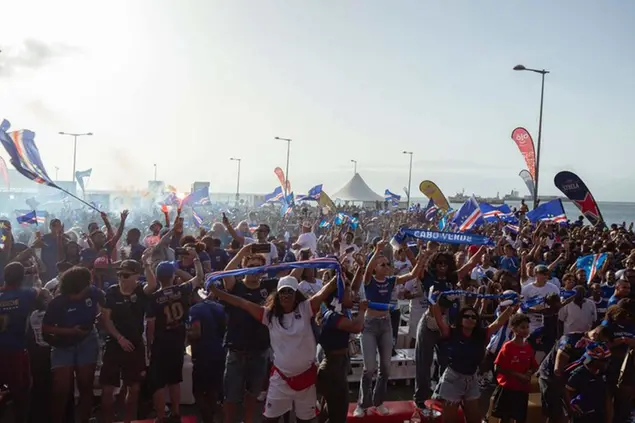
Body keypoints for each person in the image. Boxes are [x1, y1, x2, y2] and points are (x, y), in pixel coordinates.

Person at [210, 275, 337, 423]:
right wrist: (216, 291)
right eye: (283, 291)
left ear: (296, 294)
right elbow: (242, 303)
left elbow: (324, 292)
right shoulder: (269, 315)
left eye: (290, 291)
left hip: (305, 382)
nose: (286, 295)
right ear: (278, 294)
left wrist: (337, 276)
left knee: (305, 421)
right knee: (270, 420)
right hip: (281, 380)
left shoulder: (305, 308)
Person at [354, 240, 424, 417]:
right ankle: (362, 405)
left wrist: (422, 258)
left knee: (385, 368)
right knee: (369, 368)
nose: (387, 267)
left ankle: (378, 402)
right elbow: (367, 270)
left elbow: (413, 274)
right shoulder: (369, 280)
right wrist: (377, 250)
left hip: (386, 324)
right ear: (375, 268)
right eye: (383, 264)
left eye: (387, 264)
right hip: (369, 325)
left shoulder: (391, 281)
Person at [430, 298, 515, 423]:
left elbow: (498, 323)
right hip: (453, 380)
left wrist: (511, 307)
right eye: (466, 316)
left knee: (474, 419)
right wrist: (434, 301)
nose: (470, 319)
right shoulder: (451, 332)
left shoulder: (481, 335)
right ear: (460, 319)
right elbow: (439, 320)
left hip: (472, 379)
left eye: (474, 317)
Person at [219, 246, 279, 423]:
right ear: (244, 268)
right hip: (237, 349)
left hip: (260, 349)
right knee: (231, 395)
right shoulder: (236, 286)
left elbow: (292, 276)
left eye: (258, 267)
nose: (254, 271)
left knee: (253, 393)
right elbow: (226, 273)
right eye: (250, 266)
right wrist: (243, 252)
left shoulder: (268, 286)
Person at [146, 248, 203, 423]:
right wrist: (196, 259)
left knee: (158, 382)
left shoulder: (154, 297)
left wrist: (149, 345)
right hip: (178, 340)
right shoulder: (182, 289)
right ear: (172, 276)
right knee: (174, 379)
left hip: (160, 342)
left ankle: (161, 416)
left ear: (157, 277)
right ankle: (176, 413)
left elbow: (151, 324)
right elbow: (199, 277)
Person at [42, 266, 105, 423]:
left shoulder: (93, 292)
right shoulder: (57, 302)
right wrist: (71, 331)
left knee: (86, 385)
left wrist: (101, 317)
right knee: (61, 388)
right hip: (63, 344)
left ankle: (85, 419)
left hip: (87, 340)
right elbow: (46, 327)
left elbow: (106, 304)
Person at [99, 254, 157, 423]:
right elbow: (106, 319)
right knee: (108, 389)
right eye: (119, 275)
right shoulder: (111, 292)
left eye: (125, 275)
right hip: (114, 343)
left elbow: (153, 285)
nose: (121, 279)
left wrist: (146, 264)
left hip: (135, 344)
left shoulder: (140, 291)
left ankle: (129, 420)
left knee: (134, 388)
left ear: (136, 276)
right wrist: (119, 338)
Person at [0, 262, 39, 423]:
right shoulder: (25, 294)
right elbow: (39, 289)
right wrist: (34, 276)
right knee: (21, 392)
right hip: (16, 350)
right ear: (22, 278)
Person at [188, 288, 226, 423]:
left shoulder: (194, 310)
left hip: (203, 354)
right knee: (213, 389)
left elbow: (196, 332)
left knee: (198, 392)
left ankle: (208, 420)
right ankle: (214, 416)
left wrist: (185, 333)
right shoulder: (220, 307)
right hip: (219, 352)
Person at [490, 314, 538, 423]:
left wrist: (528, 374)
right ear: (514, 329)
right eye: (522, 327)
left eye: (527, 327)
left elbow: (534, 366)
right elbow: (498, 367)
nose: (525, 330)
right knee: (505, 418)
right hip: (508, 389)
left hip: (522, 390)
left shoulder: (528, 347)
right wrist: (517, 375)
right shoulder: (508, 346)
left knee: (520, 418)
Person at [564, 343, 612, 423]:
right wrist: (571, 407)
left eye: (608, 360)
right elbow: (566, 391)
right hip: (583, 416)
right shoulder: (579, 374)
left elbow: (607, 397)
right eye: (604, 361)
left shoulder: (605, 373)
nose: (607, 363)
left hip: (599, 415)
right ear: (592, 360)